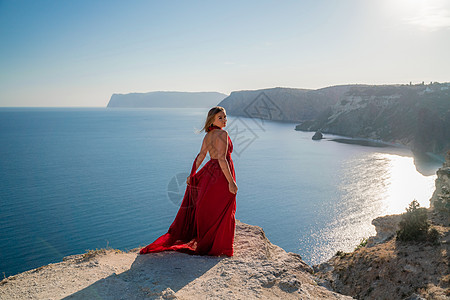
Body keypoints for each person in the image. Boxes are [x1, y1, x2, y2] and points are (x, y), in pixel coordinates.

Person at [139, 106, 238, 257]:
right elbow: (222, 159)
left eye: (225, 117)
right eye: (220, 118)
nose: (224, 120)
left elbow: (201, 156)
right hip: (221, 176)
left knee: (213, 208)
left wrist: (193, 174)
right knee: (224, 207)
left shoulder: (208, 136)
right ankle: (220, 245)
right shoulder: (223, 134)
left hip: (209, 174)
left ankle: (210, 241)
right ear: (212, 119)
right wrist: (231, 181)